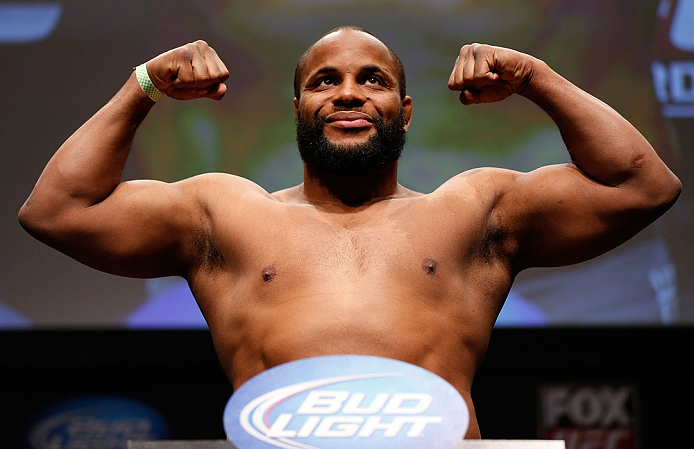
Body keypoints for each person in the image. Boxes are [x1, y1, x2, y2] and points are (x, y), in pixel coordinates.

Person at [18, 26, 681, 439]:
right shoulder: (226, 213)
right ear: (298, 108)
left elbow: (640, 185)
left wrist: (536, 78)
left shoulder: (472, 209)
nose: (348, 93)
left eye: (373, 79)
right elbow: (58, 210)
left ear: (405, 110)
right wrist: (144, 86)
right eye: (324, 81)